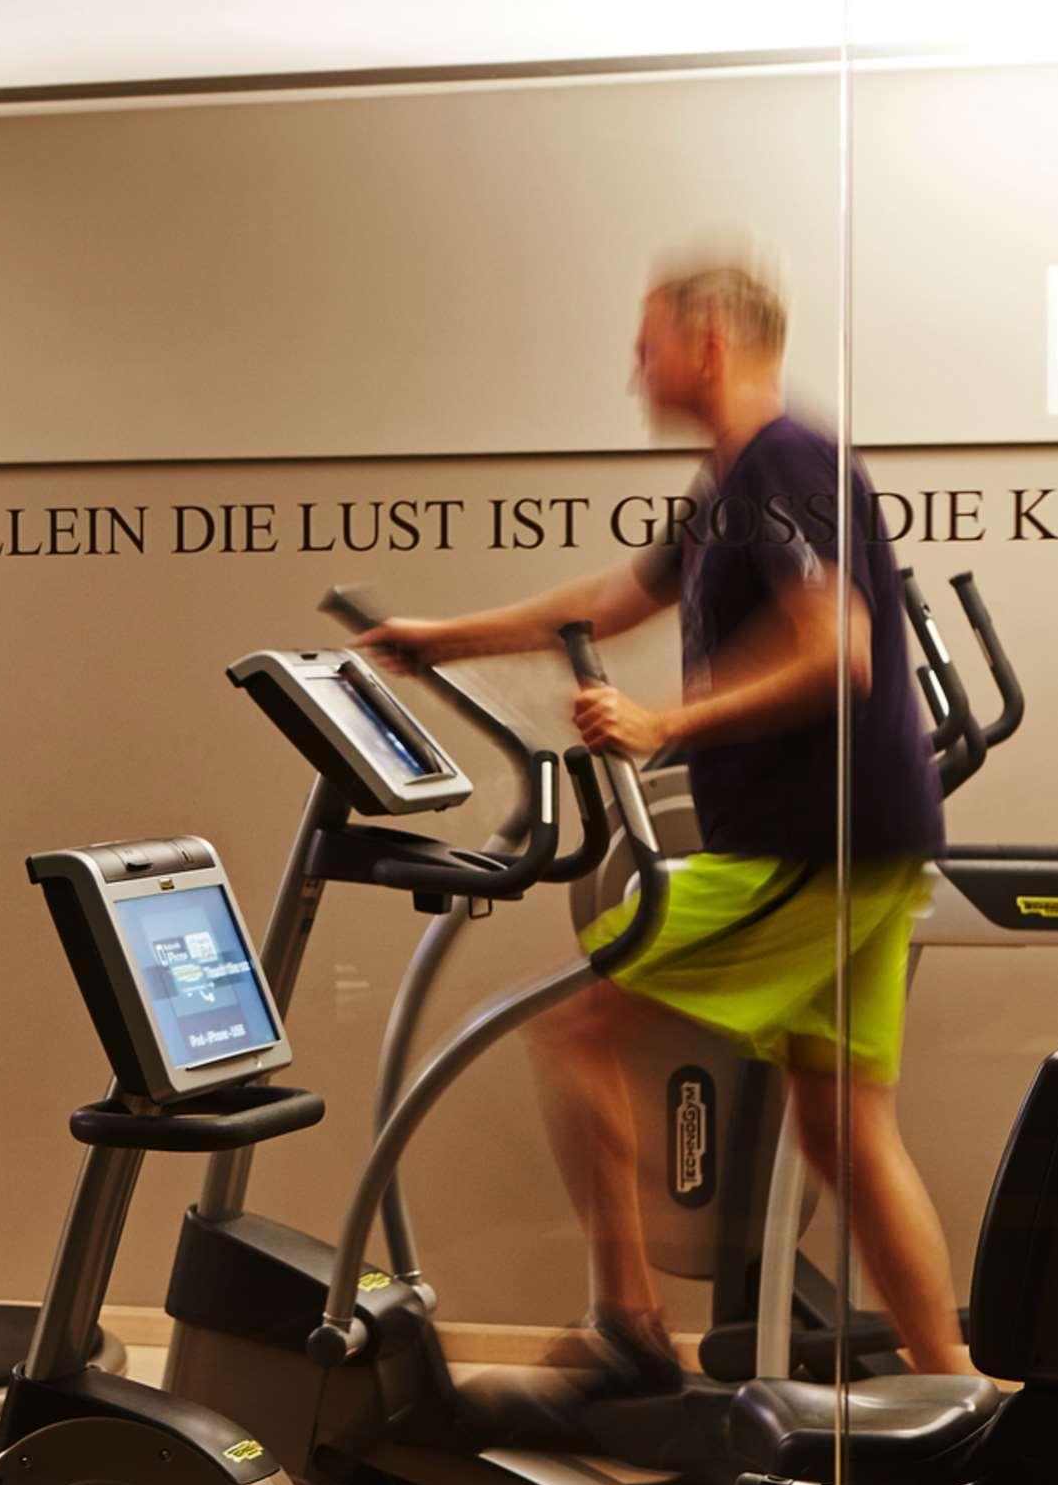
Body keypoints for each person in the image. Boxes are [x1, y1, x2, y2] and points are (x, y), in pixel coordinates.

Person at [359, 260, 971, 1391]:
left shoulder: (784, 462)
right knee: (843, 1131)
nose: (633, 367)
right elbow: (610, 604)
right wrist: (439, 638)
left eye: (647, 343)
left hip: (806, 849)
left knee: (578, 1031)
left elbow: (839, 654)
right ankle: (961, 1395)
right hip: (861, 845)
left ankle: (629, 1325)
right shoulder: (734, 482)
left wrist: (665, 722)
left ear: (709, 344)